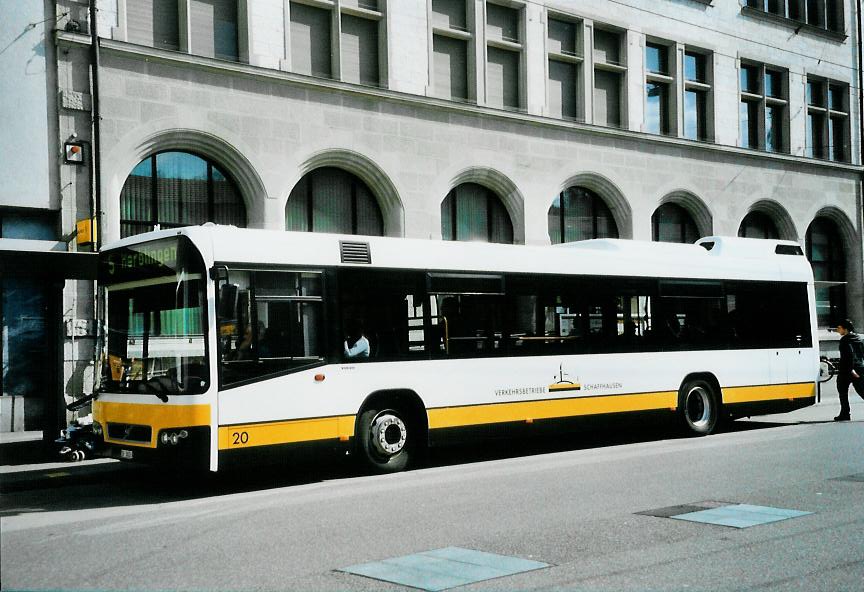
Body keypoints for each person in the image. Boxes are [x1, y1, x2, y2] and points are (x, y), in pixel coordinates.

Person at [834, 319, 864, 421]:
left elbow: (849, 355)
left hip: (847, 370)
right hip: (860, 368)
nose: (838, 330)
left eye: (839, 328)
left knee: (842, 391)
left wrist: (851, 370)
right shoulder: (858, 338)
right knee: (862, 390)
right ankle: (844, 413)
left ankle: (845, 413)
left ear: (845, 329)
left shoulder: (845, 340)